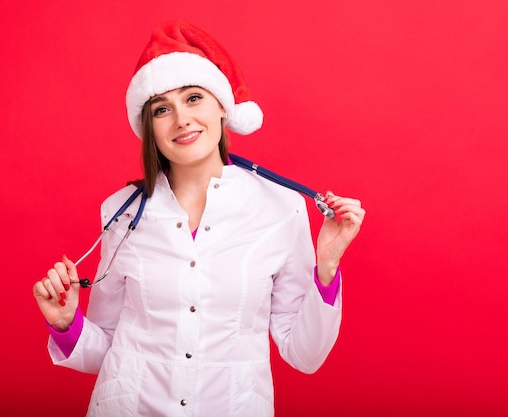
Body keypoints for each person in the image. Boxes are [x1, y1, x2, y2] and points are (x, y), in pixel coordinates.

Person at [33, 19, 365, 417]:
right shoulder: (120, 212)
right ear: (149, 128)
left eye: (193, 98)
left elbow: (304, 354)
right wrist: (66, 324)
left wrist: (326, 267)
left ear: (222, 105)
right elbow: (104, 346)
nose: (181, 119)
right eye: (162, 109)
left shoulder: (281, 208)